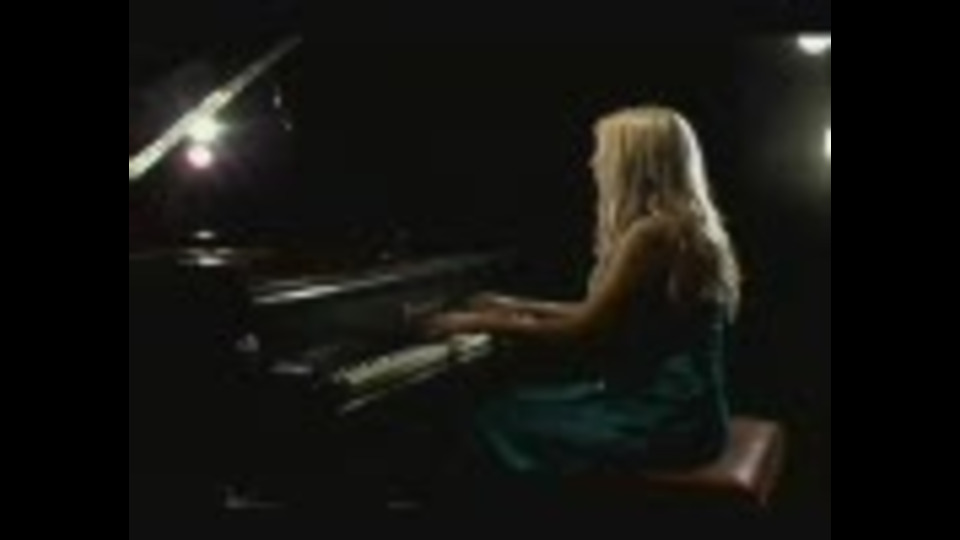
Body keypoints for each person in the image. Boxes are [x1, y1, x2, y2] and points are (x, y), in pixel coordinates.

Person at [424, 105, 741, 479]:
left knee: (493, 418)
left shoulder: (653, 234)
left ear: (635, 163)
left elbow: (584, 330)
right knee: (513, 405)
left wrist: (480, 322)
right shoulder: (684, 226)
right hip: (686, 413)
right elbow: (599, 311)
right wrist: (514, 304)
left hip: (665, 421)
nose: (593, 163)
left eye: (604, 154)